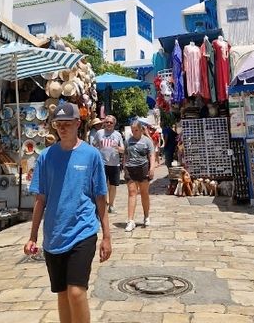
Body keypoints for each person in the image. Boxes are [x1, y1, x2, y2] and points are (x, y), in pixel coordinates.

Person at [24, 102, 111, 323]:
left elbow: (100, 197)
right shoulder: (46, 157)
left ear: (77, 124)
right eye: (58, 124)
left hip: (83, 231)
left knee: (76, 292)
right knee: (62, 293)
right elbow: (40, 198)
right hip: (54, 235)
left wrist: (107, 237)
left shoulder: (91, 155)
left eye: (67, 124)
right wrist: (33, 236)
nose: (62, 129)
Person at [123, 119, 155, 232]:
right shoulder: (128, 141)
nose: (134, 132)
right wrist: (124, 167)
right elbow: (126, 155)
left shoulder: (147, 141)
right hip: (130, 168)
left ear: (141, 129)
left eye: (136, 130)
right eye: (132, 130)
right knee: (132, 193)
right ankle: (130, 220)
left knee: (144, 193)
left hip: (143, 168)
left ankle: (146, 216)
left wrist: (152, 168)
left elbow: (151, 155)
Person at [92, 114, 124, 214]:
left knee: (113, 185)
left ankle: (111, 205)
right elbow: (93, 145)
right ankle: (104, 203)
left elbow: (123, 149)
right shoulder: (99, 133)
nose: (109, 124)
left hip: (114, 163)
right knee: (103, 184)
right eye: (107, 122)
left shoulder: (118, 135)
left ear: (114, 124)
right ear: (104, 123)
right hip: (102, 163)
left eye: (111, 122)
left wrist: (118, 148)